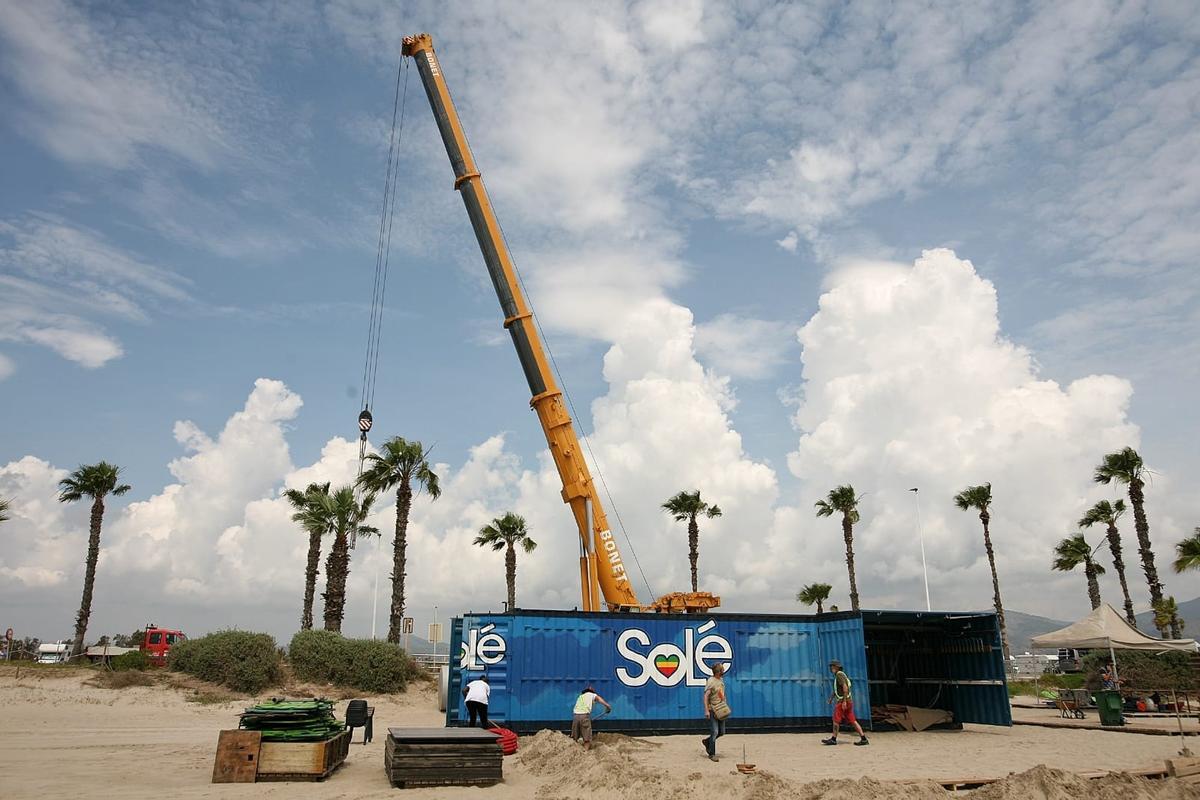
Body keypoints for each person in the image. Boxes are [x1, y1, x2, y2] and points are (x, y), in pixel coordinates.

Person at [823, 659, 868, 746]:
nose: (831, 668)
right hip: (849, 701)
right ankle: (864, 738)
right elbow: (837, 690)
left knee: (836, 720)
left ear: (836, 667)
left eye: (832, 666)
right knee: (853, 720)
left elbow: (845, 688)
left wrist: (843, 702)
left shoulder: (839, 675)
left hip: (843, 702)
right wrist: (831, 698)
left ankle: (833, 739)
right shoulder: (840, 675)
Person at [701, 663, 730, 762]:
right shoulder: (711, 681)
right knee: (715, 732)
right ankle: (712, 754)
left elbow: (721, 693)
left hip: (721, 709)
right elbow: (706, 696)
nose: (723, 672)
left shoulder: (720, 680)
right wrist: (706, 710)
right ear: (718, 672)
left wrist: (725, 702)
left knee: (722, 732)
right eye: (722, 670)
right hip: (713, 709)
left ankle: (707, 741)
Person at [571, 685, 612, 750]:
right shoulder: (591, 694)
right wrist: (607, 706)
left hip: (575, 716)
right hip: (584, 716)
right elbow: (598, 699)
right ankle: (585, 752)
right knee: (587, 739)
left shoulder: (581, 696)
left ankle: (573, 750)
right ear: (591, 692)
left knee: (574, 737)